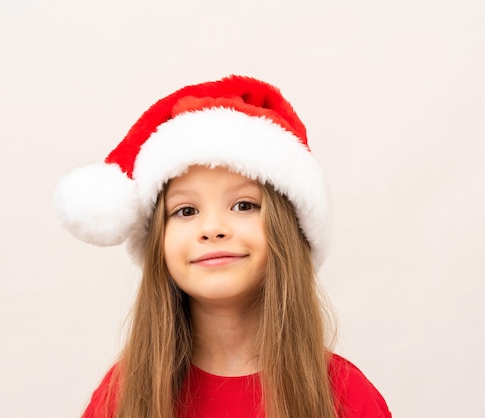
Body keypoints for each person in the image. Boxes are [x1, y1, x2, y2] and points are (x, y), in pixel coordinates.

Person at [54, 75, 392, 418]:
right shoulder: (123, 396)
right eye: (186, 211)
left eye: (244, 205)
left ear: (286, 231)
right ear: (158, 244)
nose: (213, 228)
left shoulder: (346, 397)